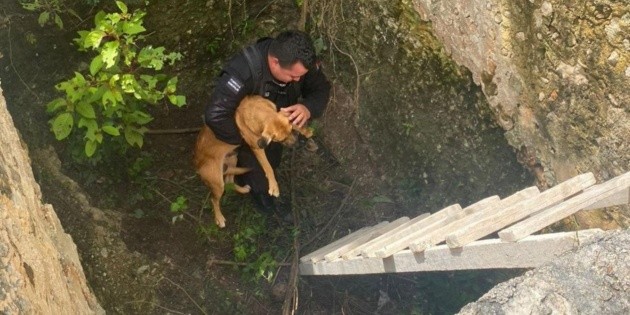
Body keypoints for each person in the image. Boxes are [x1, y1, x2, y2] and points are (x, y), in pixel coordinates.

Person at [204, 30, 331, 216]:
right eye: (293, 77)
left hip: (276, 127)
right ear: (275, 62)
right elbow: (215, 115)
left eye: (300, 77)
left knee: (274, 157)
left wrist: (308, 107)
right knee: (259, 176)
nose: (298, 80)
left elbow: (321, 88)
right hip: (249, 133)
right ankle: (263, 198)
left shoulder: (299, 64)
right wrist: (245, 139)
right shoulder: (243, 71)